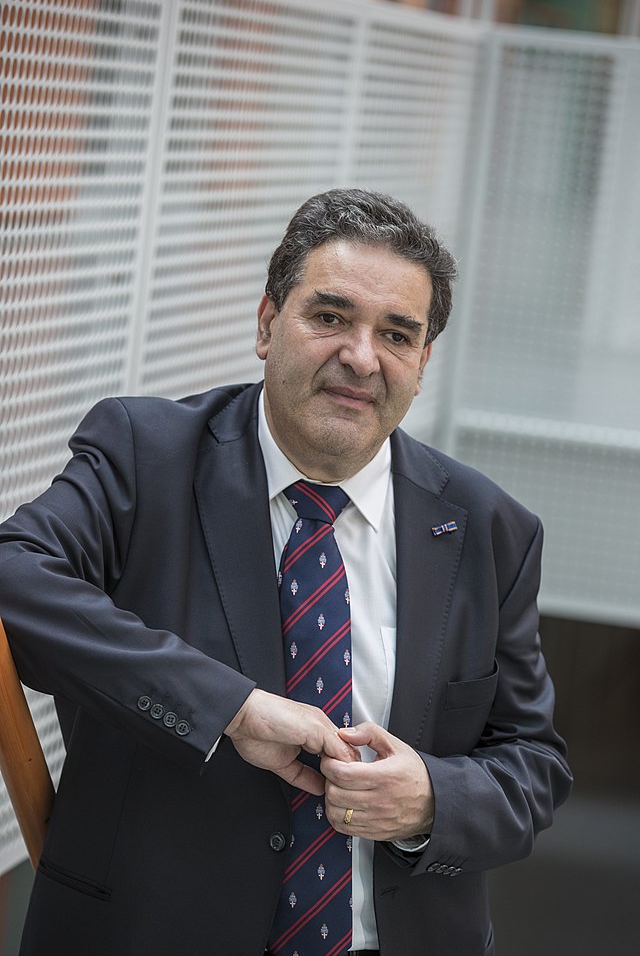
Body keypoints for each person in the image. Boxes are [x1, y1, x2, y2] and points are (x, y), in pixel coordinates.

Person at [0, 189, 571, 956]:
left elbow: (534, 765)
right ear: (268, 324)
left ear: (422, 363)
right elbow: (14, 574)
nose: (361, 357)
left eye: (396, 334)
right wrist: (232, 708)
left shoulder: (491, 528)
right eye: (331, 316)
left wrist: (434, 799)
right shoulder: (145, 456)